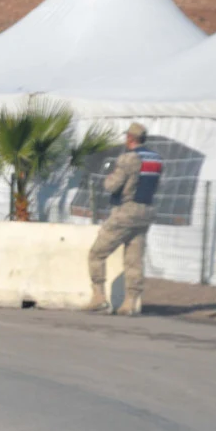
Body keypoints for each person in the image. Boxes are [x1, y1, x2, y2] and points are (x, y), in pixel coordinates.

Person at [86, 122, 162, 316]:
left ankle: (99, 297)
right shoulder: (156, 159)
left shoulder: (128, 158)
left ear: (130, 138)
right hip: (146, 212)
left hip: (126, 211)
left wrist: (108, 178)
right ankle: (130, 302)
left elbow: (112, 185)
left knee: (97, 253)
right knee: (134, 260)